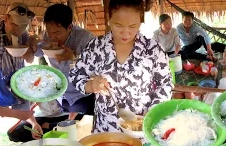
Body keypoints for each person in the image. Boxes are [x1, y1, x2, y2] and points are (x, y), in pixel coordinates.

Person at [69, 0, 173, 133]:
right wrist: (91, 86)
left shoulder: (152, 49)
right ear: (109, 19)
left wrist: (153, 112)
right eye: (118, 25)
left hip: (142, 127)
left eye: (132, 26)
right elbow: (76, 74)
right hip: (106, 128)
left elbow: (165, 83)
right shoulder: (96, 47)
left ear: (141, 21)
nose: (126, 33)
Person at [0, 2, 43, 140]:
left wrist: (28, 50)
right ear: (6, 18)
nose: (18, 30)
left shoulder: (22, 36)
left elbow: (29, 60)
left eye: (23, 26)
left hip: (18, 92)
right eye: (15, 24)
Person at [30, 4, 95, 120]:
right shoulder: (47, 35)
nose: (52, 36)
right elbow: (39, 52)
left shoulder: (85, 38)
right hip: (58, 94)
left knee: (74, 127)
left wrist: (74, 57)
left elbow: (95, 67)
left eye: (57, 33)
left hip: (79, 95)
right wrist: (34, 47)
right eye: (49, 31)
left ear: (69, 27)